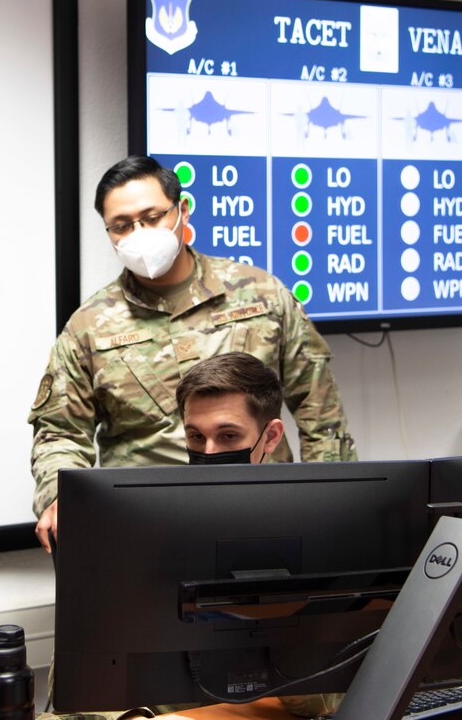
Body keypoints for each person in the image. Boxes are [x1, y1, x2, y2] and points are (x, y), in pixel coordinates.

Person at [29, 155, 356, 554]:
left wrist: (333, 499)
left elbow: (320, 410)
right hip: (144, 523)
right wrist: (59, 495)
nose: (139, 232)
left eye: (152, 217)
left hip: (263, 513)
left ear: (181, 210)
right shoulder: (88, 326)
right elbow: (60, 431)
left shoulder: (262, 295)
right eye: (122, 225)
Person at [176, 351, 343, 719]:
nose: (208, 452)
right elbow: (88, 685)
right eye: (195, 436)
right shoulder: (147, 528)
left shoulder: (321, 530)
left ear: (269, 436)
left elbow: (334, 694)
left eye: (228, 435)